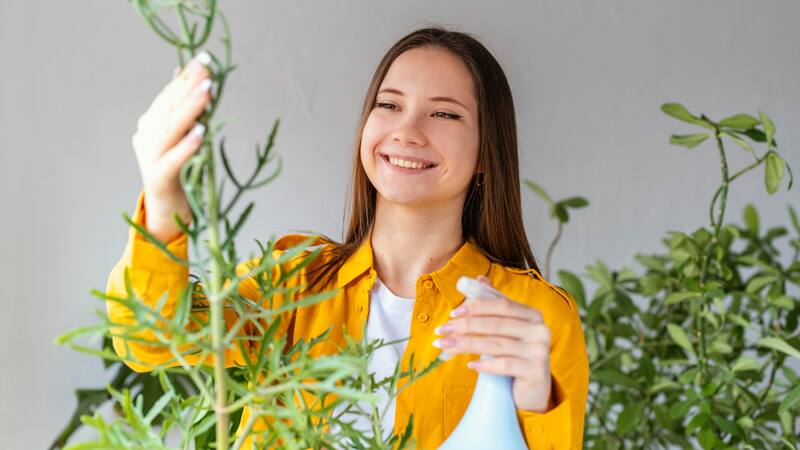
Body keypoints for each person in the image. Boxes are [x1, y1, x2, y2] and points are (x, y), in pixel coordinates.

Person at [106, 26, 589, 449]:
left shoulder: (534, 317)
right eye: (389, 104)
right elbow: (151, 339)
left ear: (488, 150)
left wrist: (530, 399)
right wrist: (164, 197)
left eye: (444, 114)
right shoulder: (292, 281)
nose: (407, 130)